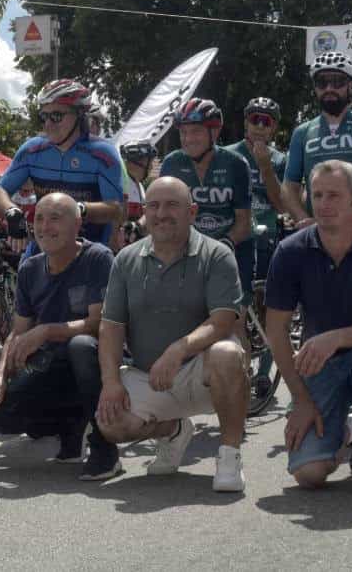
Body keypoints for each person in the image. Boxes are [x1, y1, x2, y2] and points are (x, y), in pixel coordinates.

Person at [95, 176, 247, 493]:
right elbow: (111, 327)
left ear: (192, 212)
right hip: (150, 375)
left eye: (172, 205)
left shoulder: (217, 254)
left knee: (228, 353)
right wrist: (110, 382)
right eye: (154, 205)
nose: (161, 213)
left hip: (200, 370)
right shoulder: (125, 259)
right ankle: (173, 430)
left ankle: (230, 455)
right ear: (145, 213)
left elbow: (222, 321)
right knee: (110, 423)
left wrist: (178, 350)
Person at [267, 160, 352, 499]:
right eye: (317, 195)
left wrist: (336, 337)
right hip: (320, 366)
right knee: (309, 475)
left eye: (333, 195)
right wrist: (300, 400)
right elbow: (275, 330)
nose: (324, 204)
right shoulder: (289, 252)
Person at [0, 193, 119, 480]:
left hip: (91, 358)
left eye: (55, 218)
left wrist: (46, 331)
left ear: (77, 224)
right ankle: (69, 424)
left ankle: (105, 448)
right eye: (38, 219)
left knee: (81, 346)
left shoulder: (98, 258)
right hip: (50, 362)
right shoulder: (30, 267)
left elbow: (98, 324)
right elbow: (18, 332)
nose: (44, 227)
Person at [0, 79, 125, 253]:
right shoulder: (32, 150)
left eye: (56, 116)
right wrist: (11, 212)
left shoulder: (103, 154)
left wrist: (78, 209)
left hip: (89, 253)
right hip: (43, 249)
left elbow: (116, 209)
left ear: (80, 115)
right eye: (44, 117)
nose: (48, 124)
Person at [282, 51, 352, 226]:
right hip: (318, 232)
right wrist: (303, 219)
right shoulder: (302, 132)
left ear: (351, 84)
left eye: (337, 82)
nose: (329, 88)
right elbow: (289, 187)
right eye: (322, 82)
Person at [225, 97, 288, 396]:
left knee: (268, 308)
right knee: (235, 308)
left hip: (268, 236)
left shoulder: (280, 159)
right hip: (238, 238)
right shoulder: (227, 155)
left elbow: (281, 203)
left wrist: (265, 166)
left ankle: (264, 372)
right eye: (255, 120)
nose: (260, 126)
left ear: (274, 127)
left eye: (267, 121)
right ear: (246, 122)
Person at [158, 98, 253, 271]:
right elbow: (158, 209)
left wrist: (225, 244)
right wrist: (136, 227)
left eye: (195, 131)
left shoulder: (236, 164)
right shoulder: (172, 163)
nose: (188, 138)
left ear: (214, 132)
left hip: (231, 249)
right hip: (187, 251)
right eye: (183, 132)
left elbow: (244, 223)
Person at [114, 140, 157, 250]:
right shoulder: (121, 182)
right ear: (139, 162)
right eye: (150, 162)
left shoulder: (138, 185)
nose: (152, 167)